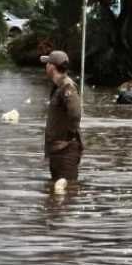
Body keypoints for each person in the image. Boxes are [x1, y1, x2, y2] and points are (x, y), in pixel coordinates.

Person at [42, 50, 83, 183]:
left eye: (47, 63)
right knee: (56, 195)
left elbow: (75, 113)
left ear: (52, 67)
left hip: (65, 150)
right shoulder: (58, 86)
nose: (45, 66)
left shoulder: (67, 86)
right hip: (58, 150)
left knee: (67, 194)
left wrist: (68, 137)